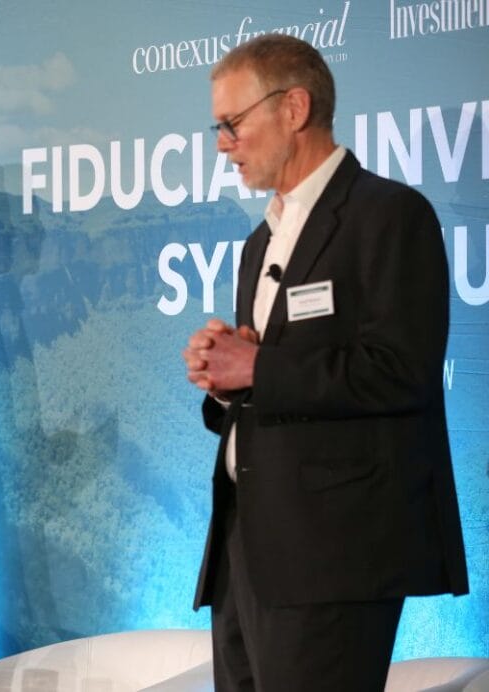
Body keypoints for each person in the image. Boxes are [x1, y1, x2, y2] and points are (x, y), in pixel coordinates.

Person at [182, 35, 467, 691]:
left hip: (334, 555)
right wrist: (224, 381)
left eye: (232, 123)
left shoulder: (389, 215)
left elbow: (401, 371)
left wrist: (256, 368)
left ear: (294, 108)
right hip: (246, 548)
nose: (222, 144)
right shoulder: (259, 242)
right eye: (217, 128)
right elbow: (274, 378)